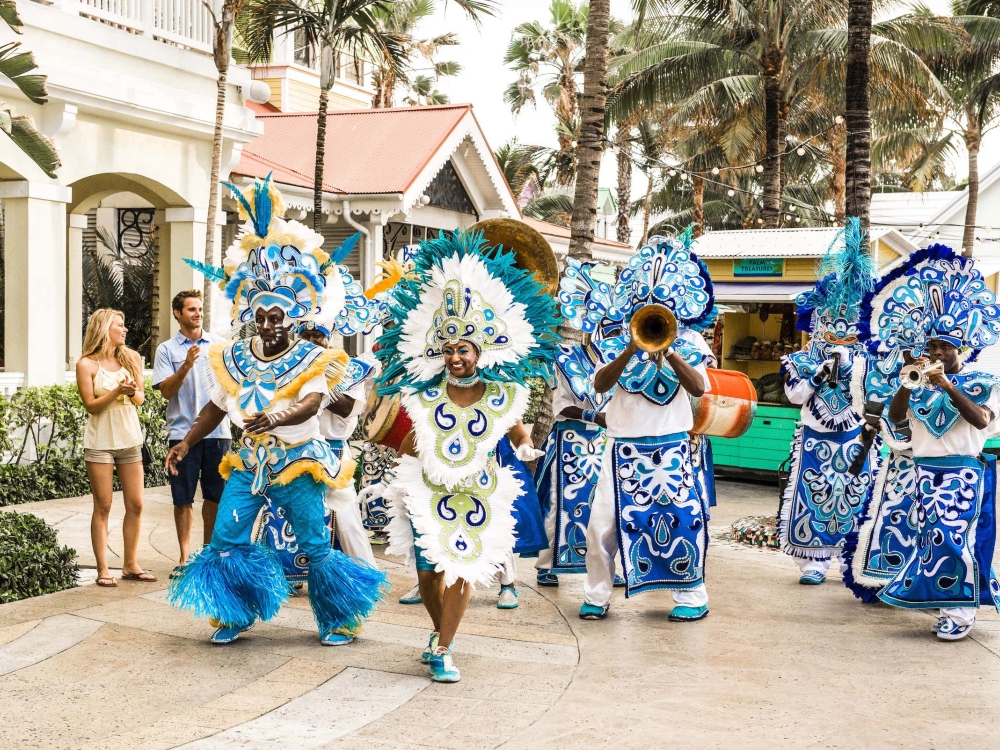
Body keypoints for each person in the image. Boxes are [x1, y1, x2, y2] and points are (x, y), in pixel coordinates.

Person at [166, 175, 388, 645]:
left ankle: (339, 618)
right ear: (249, 315)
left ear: (294, 317)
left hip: (298, 462)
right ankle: (233, 614)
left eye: (276, 318)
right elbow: (213, 406)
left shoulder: (313, 358)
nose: (266, 325)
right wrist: (187, 442)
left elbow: (311, 404)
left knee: (313, 545)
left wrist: (275, 418)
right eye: (259, 317)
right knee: (226, 539)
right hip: (248, 464)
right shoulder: (234, 357)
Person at [364, 229, 560, 682]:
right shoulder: (421, 394)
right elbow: (411, 439)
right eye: (448, 349)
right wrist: (403, 456)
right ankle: (438, 633)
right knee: (429, 572)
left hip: (477, 490)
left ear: (479, 351)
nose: (455, 356)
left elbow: (514, 432)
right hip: (428, 487)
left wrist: (526, 447)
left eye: (463, 349)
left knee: (462, 567)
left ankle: (446, 647)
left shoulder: (502, 393)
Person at [562, 237, 715, 623]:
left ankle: (691, 595)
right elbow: (598, 386)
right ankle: (597, 595)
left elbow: (698, 388)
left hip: (673, 448)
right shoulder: (615, 341)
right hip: (621, 449)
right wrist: (631, 348)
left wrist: (671, 351)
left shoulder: (691, 341)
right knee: (600, 527)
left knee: (684, 522)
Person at [864, 244, 1000, 640]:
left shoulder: (983, 383)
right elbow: (895, 420)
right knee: (932, 541)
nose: (937, 352)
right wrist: (910, 380)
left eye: (945, 347)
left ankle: (960, 612)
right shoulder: (917, 383)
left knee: (953, 540)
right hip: (924, 473)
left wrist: (945, 383)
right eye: (933, 346)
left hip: (963, 473)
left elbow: (980, 419)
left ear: (961, 349)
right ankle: (950, 600)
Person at [778, 219, 879, 585]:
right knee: (814, 499)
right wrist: (820, 374)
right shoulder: (801, 359)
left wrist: (856, 370)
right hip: (815, 439)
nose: (839, 330)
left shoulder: (868, 360)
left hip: (857, 440)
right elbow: (794, 395)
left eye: (849, 323)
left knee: (856, 499)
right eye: (830, 322)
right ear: (817, 323)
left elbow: (875, 398)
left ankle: (851, 560)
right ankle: (814, 564)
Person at [76, 308, 156, 587]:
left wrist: (132, 391)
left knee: (136, 504)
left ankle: (130, 564)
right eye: (119, 325)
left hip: (130, 441)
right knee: (104, 506)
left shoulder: (131, 358)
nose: (125, 330)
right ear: (104, 328)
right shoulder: (87, 364)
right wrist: (116, 391)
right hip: (100, 444)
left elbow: (141, 400)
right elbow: (91, 406)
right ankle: (102, 569)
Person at [152, 289, 230, 574]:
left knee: (214, 497)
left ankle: (208, 556)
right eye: (191, 310)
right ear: (178, 313)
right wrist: (185, 364)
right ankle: (185, 559)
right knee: (182, 497)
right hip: (181, 435)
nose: (197, 314)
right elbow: (165, 391)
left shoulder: (219, 345)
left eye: (199, 309)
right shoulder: (167, 350)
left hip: (218, 433)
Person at [532, 336, 609, 587]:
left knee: (603, 505)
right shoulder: (564, 356)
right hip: (568, 439)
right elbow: (561, 407)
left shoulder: (621, 359)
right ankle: (547, 564)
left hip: (602, 443)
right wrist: (594, 415)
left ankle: (607, 565)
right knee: (556, 504)